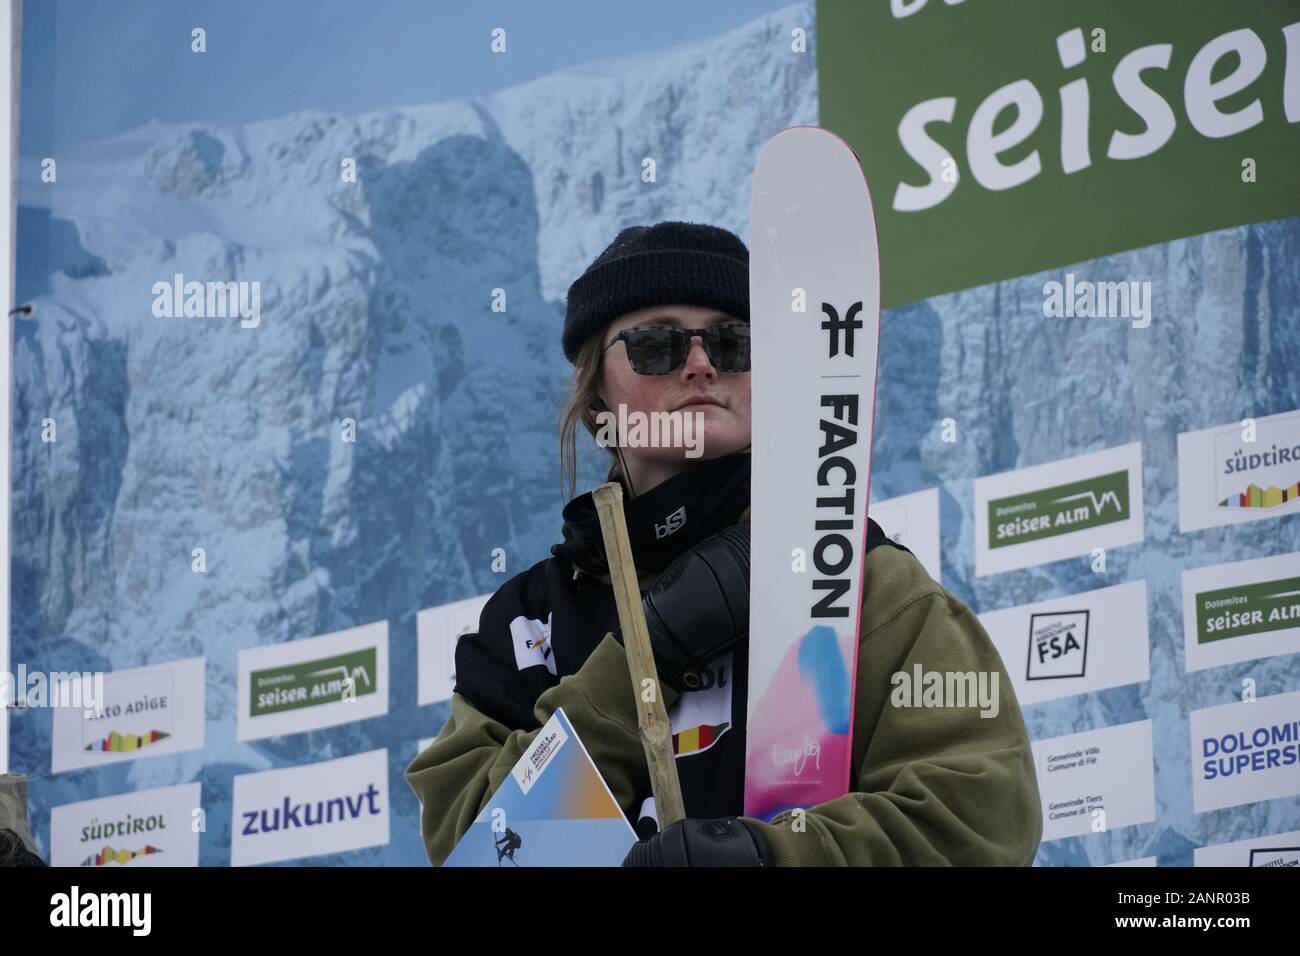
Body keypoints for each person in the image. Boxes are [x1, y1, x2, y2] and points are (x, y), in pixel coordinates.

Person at [405, 220, 1043, 866]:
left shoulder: (853, 577)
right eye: (658, 345)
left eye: (734, 343)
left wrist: (768, 859)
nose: (702, 364)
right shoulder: (522, 629)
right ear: (598, 394)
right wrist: (642, 662)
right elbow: (481, 851)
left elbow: (984, 813)